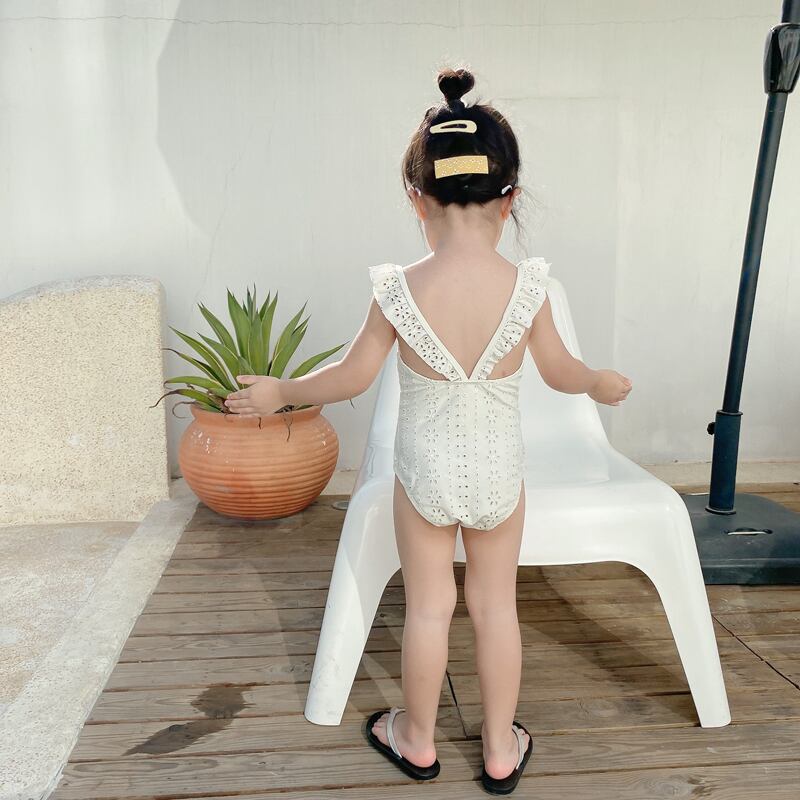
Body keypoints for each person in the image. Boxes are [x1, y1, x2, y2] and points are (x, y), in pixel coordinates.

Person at [224, 66, 632, 794]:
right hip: (500, 474)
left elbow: (351, 377)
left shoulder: (398, 289)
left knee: (429, 608)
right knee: (495, 607)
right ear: (510, 198)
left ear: (417, 197)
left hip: (424, 474)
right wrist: (598, 381)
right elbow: (561, 370)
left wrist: (282, 392)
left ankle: (416, 738)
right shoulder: (528, 288)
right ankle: (500, 748)